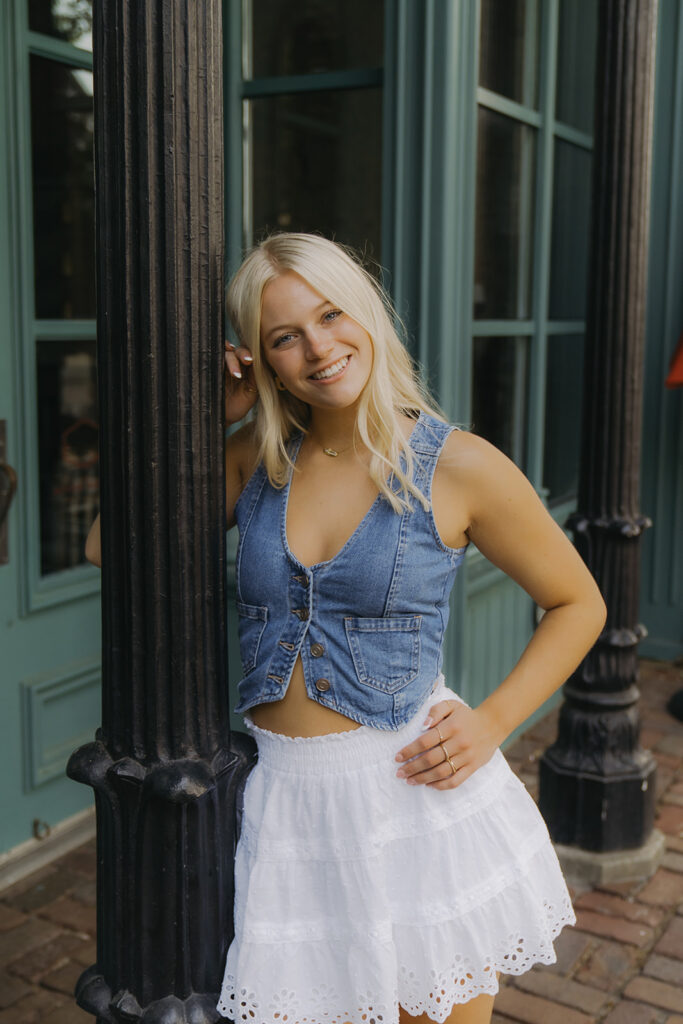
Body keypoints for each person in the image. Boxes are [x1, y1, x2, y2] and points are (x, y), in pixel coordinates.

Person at [86, 232, 607, 1024]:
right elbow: (104, 547)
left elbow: (579, 603)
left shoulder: (456, 465)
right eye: (283, 338)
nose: (317, 349)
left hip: (412, 795)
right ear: (259, 360)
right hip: (283, 800)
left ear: (365, 313)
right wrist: (202, 418)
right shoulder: (253, 460)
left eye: (330, 316)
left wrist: (493, 722)